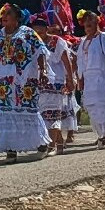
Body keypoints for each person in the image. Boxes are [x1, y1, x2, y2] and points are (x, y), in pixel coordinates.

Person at [0, 3, 50, 163]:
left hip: (24, 81)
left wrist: (43, 70)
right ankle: (10, 149)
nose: (5, 16)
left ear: (17, 18)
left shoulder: (27, 33)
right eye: (3, 14)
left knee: (27, 112)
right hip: (4, 83)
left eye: (9, 13)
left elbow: (40, 51)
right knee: (6, 113)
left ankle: (41, 144)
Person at [76, 9, 105, 149]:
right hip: (88, 79)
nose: (88, 23)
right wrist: (80, 78)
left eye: (91, 20)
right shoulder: (83, 41)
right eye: (86, 21)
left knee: (103, 106)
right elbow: (81, 62)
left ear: (97, 22)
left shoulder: (103, 37)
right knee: (92, 106)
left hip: (101, 77)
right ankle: (100, 134)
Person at [29, 14, 74, 154]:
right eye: (35, 32)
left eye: (40, 31)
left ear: (46, 29)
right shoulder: (32, 44)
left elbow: (67, 61)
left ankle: (52, 144)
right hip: (40, 82)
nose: (38, 34)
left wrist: (70, 79)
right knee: (43, 113)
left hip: (56, 82)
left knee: (53, 112)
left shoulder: (56, 41)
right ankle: (59, 142)